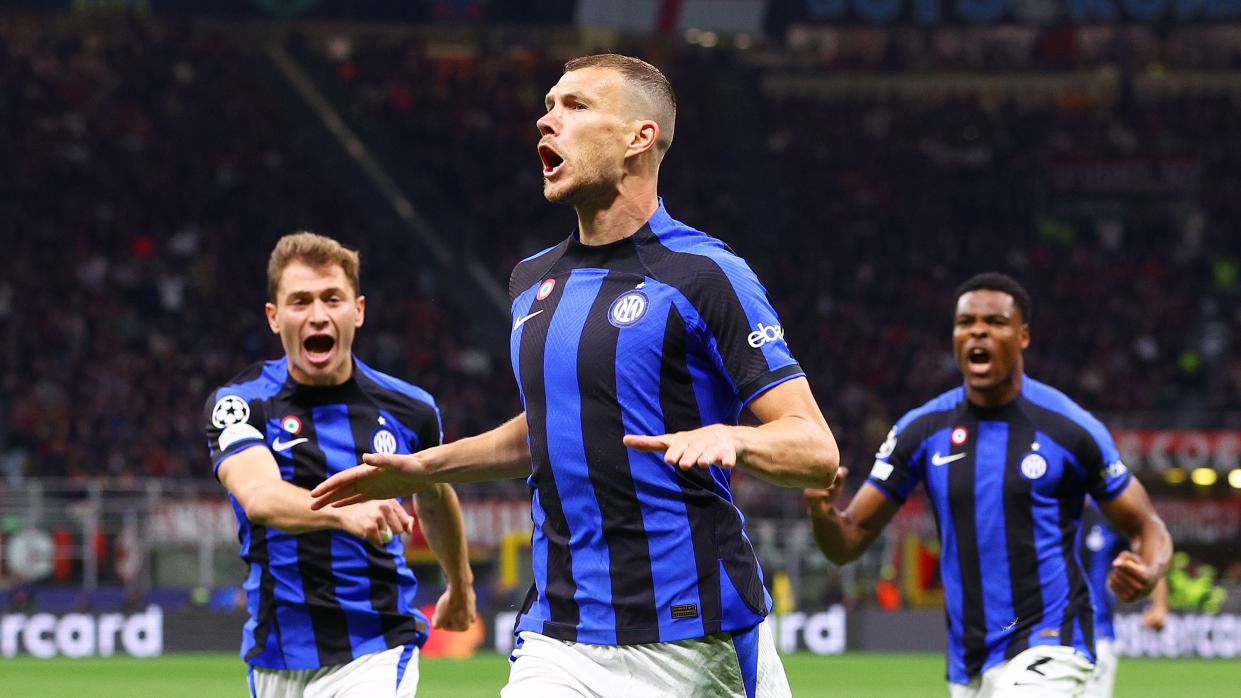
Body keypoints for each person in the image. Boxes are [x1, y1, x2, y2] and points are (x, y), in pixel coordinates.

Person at [310, 54, 839, 697]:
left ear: (639, 139)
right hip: (558, 637)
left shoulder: (706, 275)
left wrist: (738, 439)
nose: (546, 119)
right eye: (549, 105)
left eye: (576, 106)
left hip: (695, 638)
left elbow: (815, 448)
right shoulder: (531, 282)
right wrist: (426, 468)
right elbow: (549, 427)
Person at [804, 272, 1172, 698]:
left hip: (1053, 639)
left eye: (995, 322)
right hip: (971, 662)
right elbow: (847, 542)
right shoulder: (921, 431)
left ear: (1023, 336)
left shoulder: (1070, 428)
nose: (978, 330)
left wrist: (1149, 570)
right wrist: (822, 514)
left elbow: (1149, 527)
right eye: (965, 323)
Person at [203, 231, 477, 697]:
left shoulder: (411, 409)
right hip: (276, 656)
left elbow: (434, 495)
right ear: (274, 317)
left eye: (332, 298)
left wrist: (461, 583)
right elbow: (258, 496)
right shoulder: (240, 403)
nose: (317, 315)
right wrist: (344, 511)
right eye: (300, 301)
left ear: (358, 310)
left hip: (375, 644)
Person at [1079, 500, 1168, 698]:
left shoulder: (1107, 513)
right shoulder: (1045, 509)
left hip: (1097, 635)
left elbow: (1148, 556)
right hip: (1046, 636)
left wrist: (1159, 607)